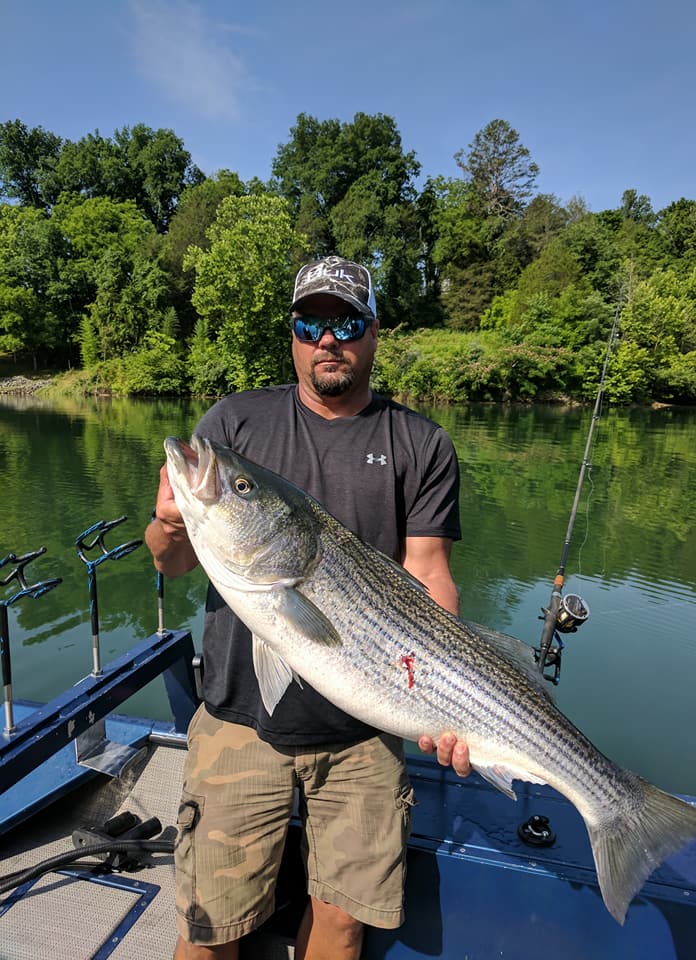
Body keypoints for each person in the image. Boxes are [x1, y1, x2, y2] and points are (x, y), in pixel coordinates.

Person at [146, 255, 470, 960]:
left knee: (344, 924)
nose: (328, 339)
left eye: (346, 322)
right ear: (292, 335)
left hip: (363, 730)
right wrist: (172, 523)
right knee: (207, 929)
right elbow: (168, 560)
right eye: (310, 323)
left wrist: (455, 699)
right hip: (237, 717)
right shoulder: (234, 424)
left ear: (374, 332)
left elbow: (430, 574)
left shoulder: (421, 442)